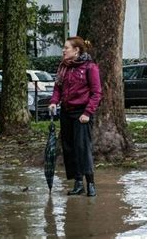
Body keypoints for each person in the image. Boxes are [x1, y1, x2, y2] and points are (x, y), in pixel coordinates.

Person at [48, 36, 102, 197]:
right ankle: (78, 183)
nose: (63, 50)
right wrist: (53, 102)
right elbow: (58, 87)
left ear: (76, 50)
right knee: (69, 148)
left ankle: (90, 183)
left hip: (82, 113)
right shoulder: (63, 67)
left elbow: (96, 93)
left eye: (66, 48)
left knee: (82, 147)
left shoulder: (90, 67)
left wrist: (87, 113)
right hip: (66, 112)